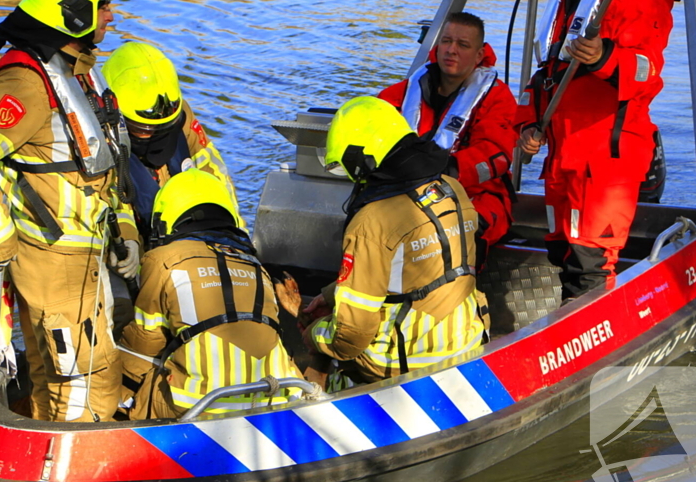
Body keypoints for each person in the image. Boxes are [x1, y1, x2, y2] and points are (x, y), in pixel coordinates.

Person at [0, 0, 139, 422]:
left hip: (84, 253)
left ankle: (45, 439)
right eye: (103, 4)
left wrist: (126, 231)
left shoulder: (77, 70)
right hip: (55, 260)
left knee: (58, 371)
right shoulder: (28, 83)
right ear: (72, 9)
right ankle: (72, 462)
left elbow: (101, 168)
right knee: (87, 378)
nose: (111, 15)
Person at [514, 0, 679, 301]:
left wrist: (605, 56)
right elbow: (545, 74)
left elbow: (647, 72)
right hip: (563, 155)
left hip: (606, 161)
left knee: (589, 262)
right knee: (562, 253)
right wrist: (529, 125)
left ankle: (593, 334)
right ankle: (565, 328)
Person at [288, 96, 486, 390]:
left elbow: (351, 336)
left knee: (325, 346)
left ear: (361, 159)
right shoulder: (450, 188)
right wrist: (331, 295)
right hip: (467, 344)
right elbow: (417, 271)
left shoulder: (372, 221)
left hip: (405, 366)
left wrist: (315, 335)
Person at [120, 169, 302, 419]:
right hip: (274, 398)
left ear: (165, 220)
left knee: (115, 362)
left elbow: (146, 342)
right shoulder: (256, 266)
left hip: (199, 405)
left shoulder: (162, 259)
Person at [379, 11, 518, 266]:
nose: (451, 50)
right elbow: (373, 123)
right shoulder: (404, 92)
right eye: (446, 41)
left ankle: (460, 288)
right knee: (366, 219)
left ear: (479, 54)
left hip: (477, 195)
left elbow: (495, 155)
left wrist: (446, 168)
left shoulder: (498, 98)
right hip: (406, 188)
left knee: (456, 232)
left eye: (462, 45)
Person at [100, 41, 240, 245]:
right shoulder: (101, 138)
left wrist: (236, 234)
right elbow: (109, 203)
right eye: (143, 128)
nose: (154, 134)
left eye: (164, 127)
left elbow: (215, 176)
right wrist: (131, 243)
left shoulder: (180, 117)